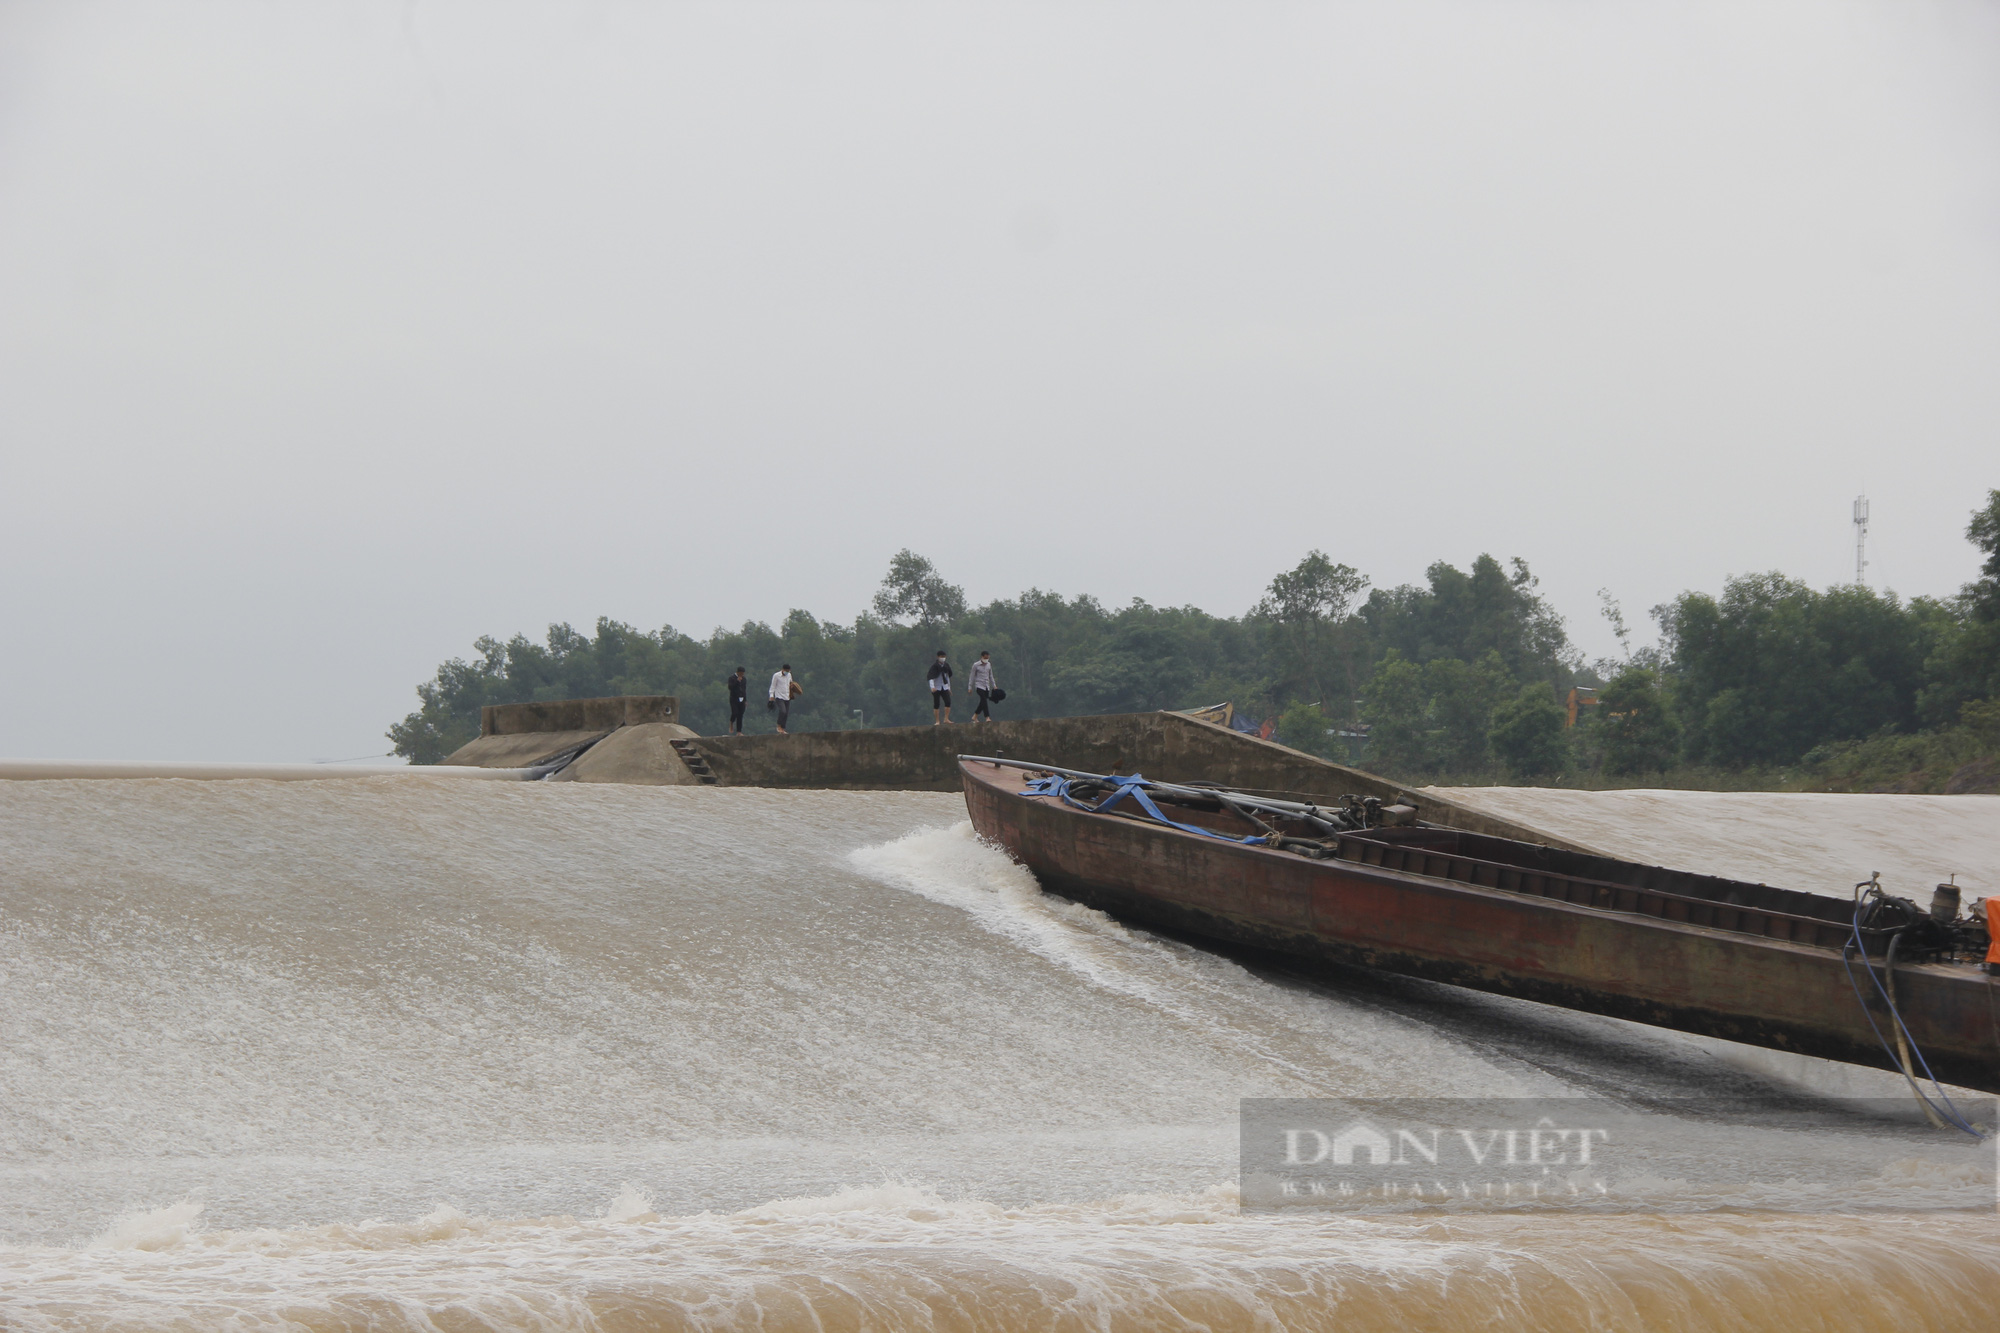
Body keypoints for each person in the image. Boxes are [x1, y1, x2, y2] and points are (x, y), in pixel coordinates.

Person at [970, 650, 998, 724]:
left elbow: (991, 675)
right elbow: (972, 676)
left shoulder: (989, 664)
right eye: (985, 658)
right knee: (984, 700)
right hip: (979, 685)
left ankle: (975, 715)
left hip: (986, 686)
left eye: (988, 658)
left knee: (983, 701)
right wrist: (970, 687)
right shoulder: (976, 665)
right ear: (982, 657)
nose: (986, 659)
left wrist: (994, 685)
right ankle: (987, 717)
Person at [928, 650, 953, 725]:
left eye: (944, 657)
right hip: (936, 687)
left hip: (944, 686)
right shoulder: (934, 667)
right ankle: (937, 721)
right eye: (941, 657)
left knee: (948, 702)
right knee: (936, 703)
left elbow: (947, 677)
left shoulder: (946, 665)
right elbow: (931, 677)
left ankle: (946, 718)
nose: (943, 658)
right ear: (938, 657)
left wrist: (949, 687)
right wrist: (932, 687)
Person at [769, 663, 794, 735]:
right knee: (782, 711)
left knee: (786, 713)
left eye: (788, 671)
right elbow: (773, 686)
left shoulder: (789, 675)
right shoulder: (776, 676)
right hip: (779, 696)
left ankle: (783, 728)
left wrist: (792, 686)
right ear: (782, 669)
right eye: (786, 670)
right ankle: (779, 725)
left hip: (787, 696)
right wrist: (771, 695)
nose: (787, 672)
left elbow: (790, 683)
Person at [726, 666, 749, 735]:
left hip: (741, 698)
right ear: (738, 672)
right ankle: (731, 722)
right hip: (734, 698)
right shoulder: (732, 678)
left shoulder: (744, 679)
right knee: (735, 712)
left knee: (740, 714)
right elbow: (730, 687)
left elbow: (744, 690)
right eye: (741, 673)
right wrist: (737, 681)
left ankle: (739, 731)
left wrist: (745, 700)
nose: (742, 675)